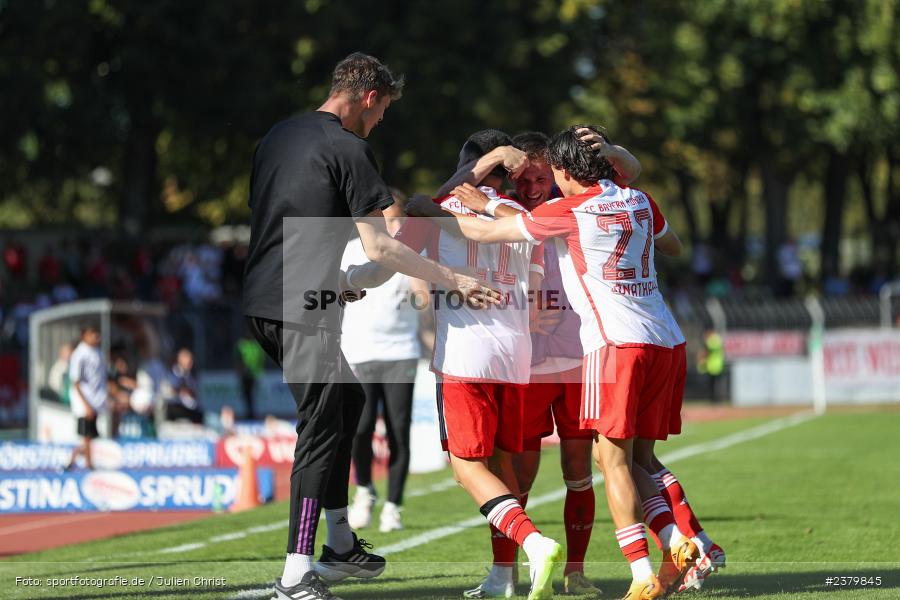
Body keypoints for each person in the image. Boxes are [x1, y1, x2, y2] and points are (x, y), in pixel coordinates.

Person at [411, 125, 708, 599]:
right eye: (523, 178)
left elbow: (459, 221)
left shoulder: (558, 211)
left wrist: (459, 206)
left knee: (601, 465)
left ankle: (626, 570)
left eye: (542, 176)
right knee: (628, 460)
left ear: (560, 174)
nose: (532, 186)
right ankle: (688, 541)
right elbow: (663, 232)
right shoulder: (636, 199)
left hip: (592, 354)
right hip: (618, 347)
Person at [242, 52, 496, 600]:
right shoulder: (348, 146)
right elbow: (380, 242)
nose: (379, 123)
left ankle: (339, 544)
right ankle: (296, 572)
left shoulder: (277, 137)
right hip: (302, 307)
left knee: (347, 403)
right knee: (321, 428)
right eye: (382, 112)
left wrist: (340, 279)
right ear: (369, 97)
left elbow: (284, 224)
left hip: (267, 299)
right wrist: (451, 276)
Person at [348, 129, 564, 600]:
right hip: (516, 356)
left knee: (468, 467)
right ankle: (502, 577)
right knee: (503, 467)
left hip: (466, 356)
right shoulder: (520, 215)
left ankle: (534, 542)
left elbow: (387, 261)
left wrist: (351, 281)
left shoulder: (433, 210)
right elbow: (533, 296)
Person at [342, 190, 426, 533]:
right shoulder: (349, 250)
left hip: (399, 352)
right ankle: (364, 490)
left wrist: (420, 288)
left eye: (394, 220)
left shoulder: (408, 253)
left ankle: (393, 505)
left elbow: (422, 301)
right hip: (359, 351)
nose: (388, 226)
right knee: (359, 429)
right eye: (381, 220)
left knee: (398, 432)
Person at [64, 323, 106, 471]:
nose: (96, 337)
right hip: (84, 400)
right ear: (83, 335)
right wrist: (85, 404)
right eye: (92, 333)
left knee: (92, 435)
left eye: (97, 333)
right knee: (87, 434)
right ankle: (89, 465)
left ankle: (73, 458)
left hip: (96, 399)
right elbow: (75, 381)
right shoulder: (79, 354)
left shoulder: (98, 352)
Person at [164, 348, 203, 424]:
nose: (190, 362)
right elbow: (170, 390)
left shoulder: (190, 376)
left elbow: (194, 393)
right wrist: (181, 390)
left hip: (191, 409)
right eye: (187, 359)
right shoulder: (172, 374)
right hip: (176, 408)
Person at [236, 329, 266, 419]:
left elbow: (261, 359)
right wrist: (240, 371)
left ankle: (251, 413)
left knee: (251, 394)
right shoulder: (241, 344)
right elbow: (238, 359)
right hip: (245, 374)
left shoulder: (256, 344)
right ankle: (249, 413)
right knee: (246, 394)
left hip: (254, 374)